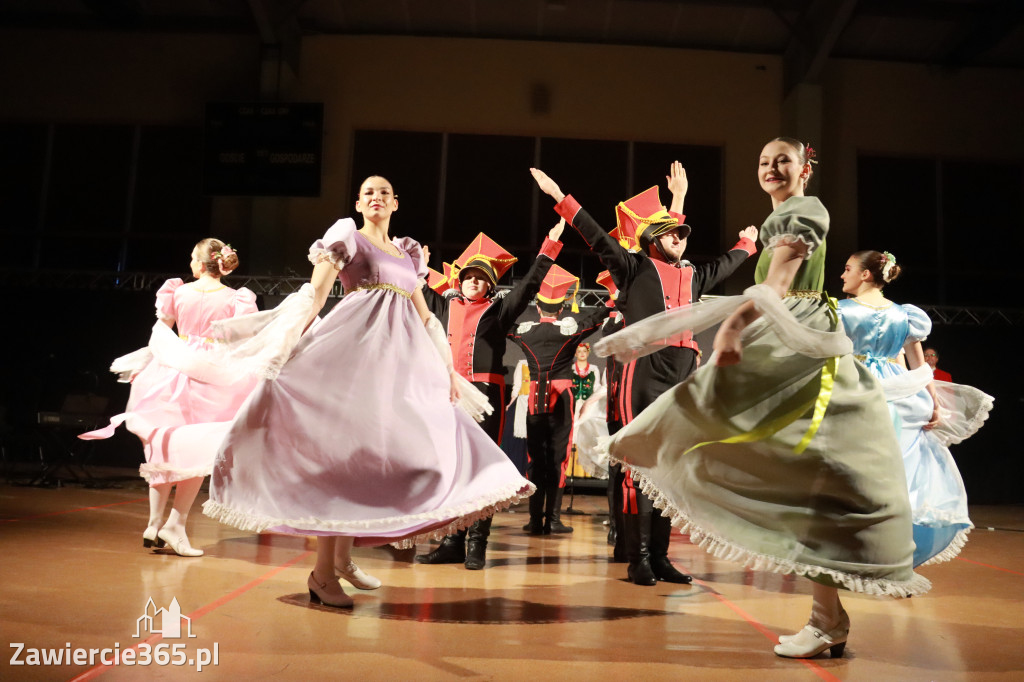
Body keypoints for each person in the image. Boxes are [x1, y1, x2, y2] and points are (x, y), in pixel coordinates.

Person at [594, 138, 930, 658]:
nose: (772, 167)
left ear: (806, 168)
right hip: (783, 346)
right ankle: (827, 620)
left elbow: (775, 284)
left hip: (800, 352)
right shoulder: (783, 216)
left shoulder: (804, 211)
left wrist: (732, 327)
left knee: (806, 480)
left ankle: (826, 620)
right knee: (798, 480)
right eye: (763, 160)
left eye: (783, 160)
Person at [201, 175, 534, 607]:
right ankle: (324, 574)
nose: (376, 197)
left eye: (383, 192)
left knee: (391, 451)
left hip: (398, 362)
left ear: (396, 202)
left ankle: (340, 559)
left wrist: (448, 371)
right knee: (344, 455)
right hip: (353, 353)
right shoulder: (347, 237)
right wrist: (282, 346)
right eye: (368, 192)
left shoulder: (408, 253)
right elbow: (317, 293)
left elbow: (429, 319)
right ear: (358, 202)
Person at [531, 162, 758, 586]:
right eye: (672, 232)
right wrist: (558, 195)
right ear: (653, 238)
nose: (680, 237)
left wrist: (749, 242)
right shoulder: (632, 268)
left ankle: (661, 555)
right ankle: (637, 557)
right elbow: (596, 234)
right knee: (639, 464)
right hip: (643, 370)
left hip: (683, 371)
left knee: (670, 468)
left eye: (682, 233)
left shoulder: (693, 274)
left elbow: (729, 262)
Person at [80, 239, 259, 557]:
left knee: (163, 444)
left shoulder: (177, 291)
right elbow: (241, 340)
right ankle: (175, 525)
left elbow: (160, 334)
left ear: (202, 264)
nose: (190, 263)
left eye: (193, 258)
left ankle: (153, 524)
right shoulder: (236, 298)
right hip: (209, 375)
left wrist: (147, 360)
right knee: (194, 450)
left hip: (173, 369)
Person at [414, 225, 565, 570]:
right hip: (448, 394)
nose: (472, 281)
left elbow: (529, 284)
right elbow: (414, 290)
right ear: (459, 281)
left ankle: (477, 544)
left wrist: (551, 243)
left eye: (480, 278)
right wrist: (418, 269)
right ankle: (453, 541)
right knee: (453, 469)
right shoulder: (444, 306)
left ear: (490, 286)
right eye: (468, 276)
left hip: (486, 394)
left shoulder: (499, 310)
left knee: (480, 467)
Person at [839, 250, 990, 566]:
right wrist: (932, 400)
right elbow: (918, 363)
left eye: (848, 268)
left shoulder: (841, 311)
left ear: (866, 274)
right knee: (901, 473)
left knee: (859, 471)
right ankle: (888, 551)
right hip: (904, 392)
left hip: (859, 386)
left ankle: (864, 550)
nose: (843, 275)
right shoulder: (904, 314)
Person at [507, 265, 610, 534]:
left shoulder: (524, 331)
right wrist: (612, 298)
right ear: (561, 309)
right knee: (558, 459)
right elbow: (597, 318)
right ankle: (552, 519)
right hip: (562, 396)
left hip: (535, 399)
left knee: (535, 458)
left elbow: (503, 322)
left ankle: (533, 519)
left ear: (538, 308)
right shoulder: (569, 330)